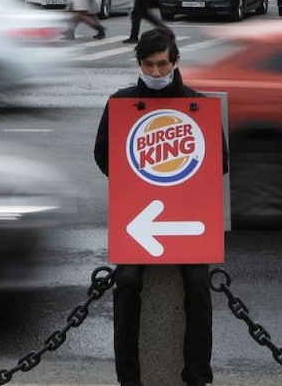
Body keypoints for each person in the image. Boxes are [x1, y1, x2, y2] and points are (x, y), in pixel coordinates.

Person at [93, 28, 226, 386]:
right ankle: (129, 378)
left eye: (162, 64)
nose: (155, 73)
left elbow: (220, 162)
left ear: (176, 61)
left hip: (186, 217)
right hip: (141, 218)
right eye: (148, 65)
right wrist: (135, 186)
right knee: (128, 280)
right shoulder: (120, 104)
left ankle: (197, 375)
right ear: (138, 63)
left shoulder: (197, 105)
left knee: (198, 284)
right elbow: (103, 155)